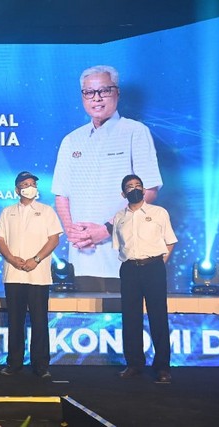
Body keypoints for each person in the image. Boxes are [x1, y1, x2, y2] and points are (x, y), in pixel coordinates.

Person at [51, 65, 163, 292]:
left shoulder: (135, 131)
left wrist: (106, 230)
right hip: (81, 255)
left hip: (125, 254)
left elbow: (149, 191)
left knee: (126, 310)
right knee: (82, 309)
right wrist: (72, 232)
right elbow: (61, 195)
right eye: (89, 92)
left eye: (104, 90)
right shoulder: (71, 140)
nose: (97, 98)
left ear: (117, 93)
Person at [0, 171, 63, 379]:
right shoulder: (7, 212)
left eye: (33, 184)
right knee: (15, 321)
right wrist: (12, 258)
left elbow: (53, 239)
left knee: (39, 321)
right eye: (25, 184)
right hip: (13, 275)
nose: (30, 187)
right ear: (17, 190)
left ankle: (41, 365)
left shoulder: (46, 211)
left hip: (38, 275)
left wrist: (36, 259)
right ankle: (14, 363)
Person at [112, 174, 176, 384]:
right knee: (130, 318)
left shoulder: (158, 212)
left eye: (138, 185)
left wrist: (158, 263)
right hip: (129, 269)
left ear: (144, 189)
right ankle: (134, 364)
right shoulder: (119, 217)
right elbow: (119, 246)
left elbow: (170, 241)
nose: (134, 189)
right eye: (130, 187)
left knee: (158, 316)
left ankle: (162, 367)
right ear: (123, 193)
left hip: (153, 267)